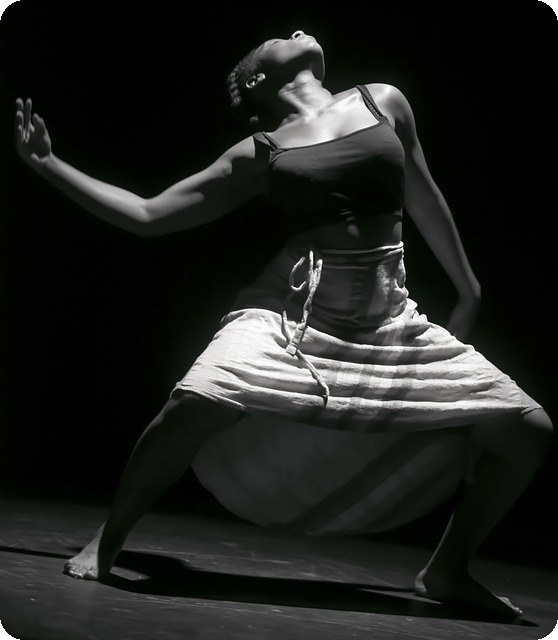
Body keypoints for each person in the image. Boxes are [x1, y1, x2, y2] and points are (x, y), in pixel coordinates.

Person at [15, 29, 553, 618]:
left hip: (388, 317)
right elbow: (150, 213)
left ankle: (448, 568)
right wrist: (48, 164)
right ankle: (110, 537)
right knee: (193, 402)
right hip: (293, 316)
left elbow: (424, 198)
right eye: (279, 36)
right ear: (255, 77)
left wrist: (468, 288)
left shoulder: (381, 100)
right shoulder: (260, 151)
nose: (297, 30)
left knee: (528, 431)